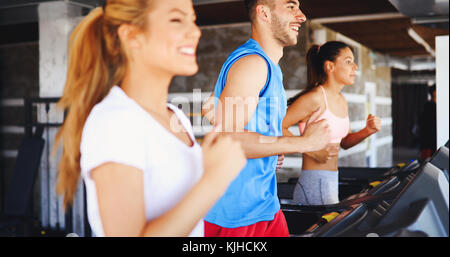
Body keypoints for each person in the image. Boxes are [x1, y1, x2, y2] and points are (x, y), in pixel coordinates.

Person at [53, 0, 247, 237]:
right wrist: (213, 180)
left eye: (193, 20)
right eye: (177, 20)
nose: (195, 31)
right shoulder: (115, 122)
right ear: (132, 36)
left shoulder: (175, 117)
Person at [201, 0, 331, 237]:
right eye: (291, 6)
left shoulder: (267, 66)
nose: (302, 16)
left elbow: (210, 108)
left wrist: (270, 146)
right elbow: (229, 139)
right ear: (263, 12)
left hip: (264, 205)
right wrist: (304, 143)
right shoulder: (253, 64)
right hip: (236, 214)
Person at [282, 41, 381, 205]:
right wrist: (310, 150)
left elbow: (344, 143)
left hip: (331, 179)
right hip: (314, 182)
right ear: (330, 66)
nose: (355, 67)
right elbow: (278, 125)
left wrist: (367, 130)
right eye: (348, 61)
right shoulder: (314, 98)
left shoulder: (342, 100)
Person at [419, 84, 437, 160]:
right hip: (428, 141)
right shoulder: (428, 106)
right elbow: (425, 125)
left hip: (436, 138)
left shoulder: (440, 106)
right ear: (433, 92)